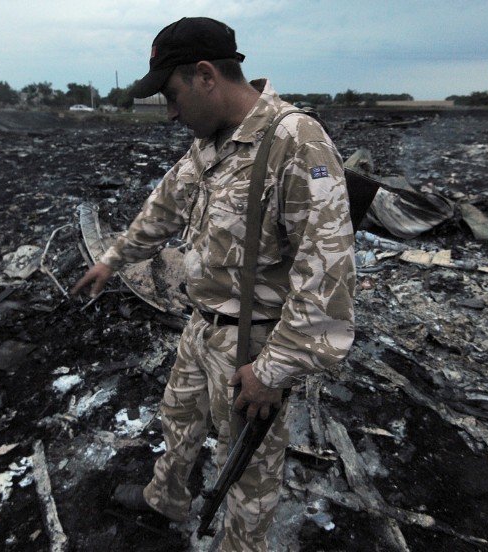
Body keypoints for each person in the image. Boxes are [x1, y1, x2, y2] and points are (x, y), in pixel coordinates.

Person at [72, 16, 356, 551]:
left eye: (173, 95)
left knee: (248, 474)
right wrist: (113, 259)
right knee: (178, 419)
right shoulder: (210, 144)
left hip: (255, 346)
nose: (172, 112)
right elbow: (161, 208)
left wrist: (271, 372)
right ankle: (167, 498)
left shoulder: (295, 142)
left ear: (206, 75)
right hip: (201, 327)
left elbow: (328, 280)